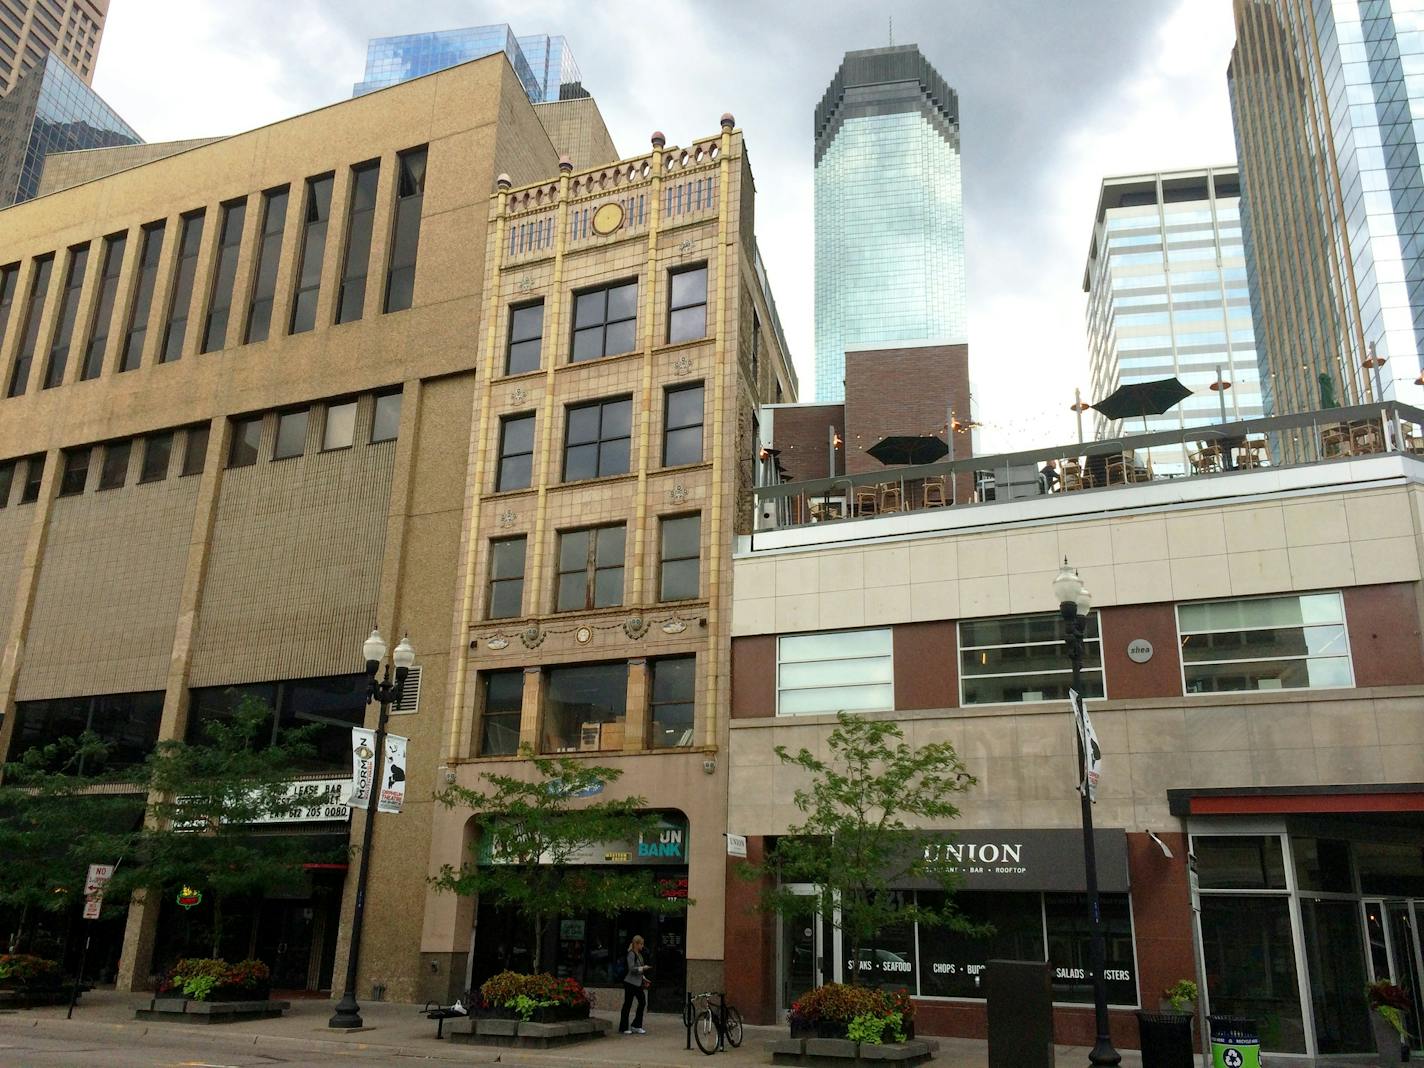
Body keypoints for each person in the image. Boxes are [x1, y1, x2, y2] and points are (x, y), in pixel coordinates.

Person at [618, 935, 651, 1034]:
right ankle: (623, 1027)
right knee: (628, 1004)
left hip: (637, 982)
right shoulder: (631, 954)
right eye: (641, 944)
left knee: (642, 1002)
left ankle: (636, 1025)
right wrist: (643, 968)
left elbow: (639, 969)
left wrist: (644, 978)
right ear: (636, 944)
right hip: (630, 982)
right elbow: (631, 968)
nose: (642, 946)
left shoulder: (639, 955)